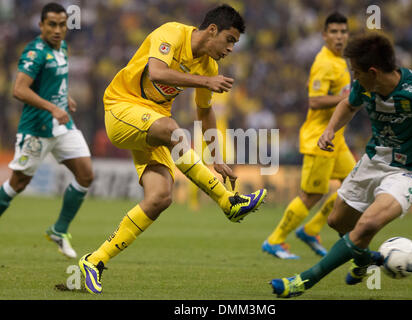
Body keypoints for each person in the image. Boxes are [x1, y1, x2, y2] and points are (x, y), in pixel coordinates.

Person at [79, 4, 266, 294]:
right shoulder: (172, 33)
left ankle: (95, 260)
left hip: (151, 123)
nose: (231, 48)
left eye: (235, 44)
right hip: (121, 109)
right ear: (212, 30)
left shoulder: (209, 67)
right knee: (172, 129)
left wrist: (216, 158)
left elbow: (205, 113)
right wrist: (205, 81)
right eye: (229, 39)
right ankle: (227, 202)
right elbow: (156, 73)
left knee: (160, 197)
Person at [270, 32, 412, 297]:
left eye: (356, 72)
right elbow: (348, 105)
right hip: (373, 160)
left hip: (409, 171)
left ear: (374, 71)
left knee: (366, 225)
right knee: (337, 221)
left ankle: (303, 281)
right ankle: (364, 260)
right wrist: (330, 129)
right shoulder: (364, 86)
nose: (353, 77)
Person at [0, 3, 93, 259]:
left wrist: (65, 99)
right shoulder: (34, 52)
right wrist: (53, 107)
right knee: (18, 183)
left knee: (86, 175)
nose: (57, 29)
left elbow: (56, 80)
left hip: (63, 125)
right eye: (51, 24)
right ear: (41, 25)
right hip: (37, 129)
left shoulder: (62, 47)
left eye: (62, 24)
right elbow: (18, 90)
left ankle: (58, 230)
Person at [262, 12, 354, 259]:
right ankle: (275, 240)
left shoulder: (338, 61)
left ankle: (311, 230)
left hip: (337, 138)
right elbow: (314, 100)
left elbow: (316, 88)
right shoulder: (324, 62)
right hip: (319, 139)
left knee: (354, 184)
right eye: (333, 32)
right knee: (311, 195)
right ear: (324, 36)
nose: (339, 36)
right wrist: (349, 98)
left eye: (343, 32)